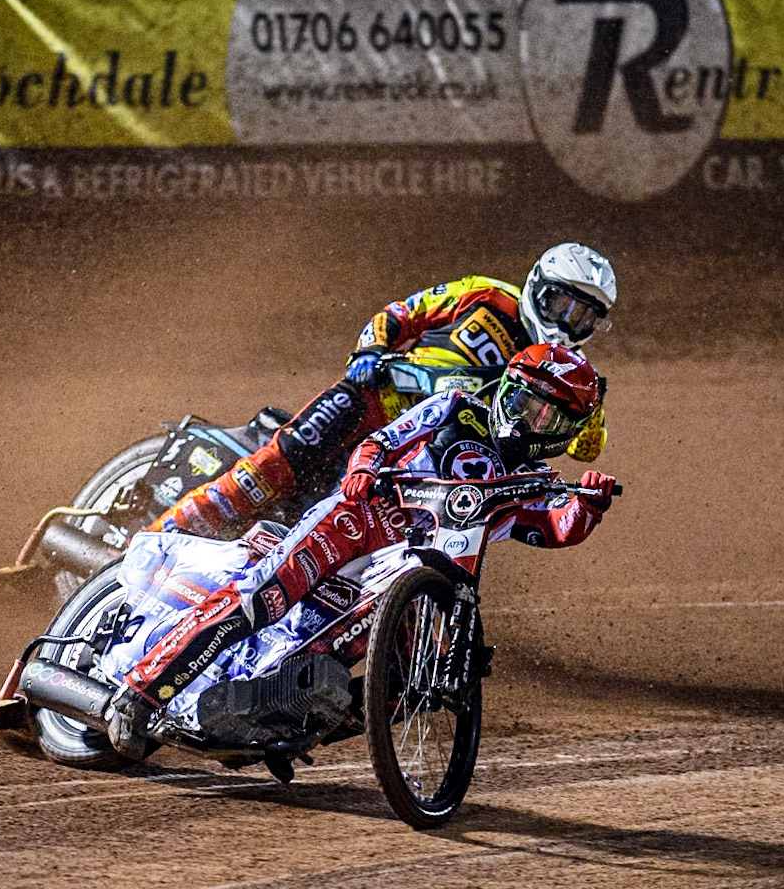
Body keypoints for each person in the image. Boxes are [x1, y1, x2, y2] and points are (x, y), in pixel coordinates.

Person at [108, 343, 618, 759]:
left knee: (415, 681)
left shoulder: (537, 481)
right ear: (506, 390)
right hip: (356, 522)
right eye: (525, 401)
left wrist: (589, 506)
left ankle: (291, 725)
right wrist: (362, 471)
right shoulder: (456, 408)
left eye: (547, 417)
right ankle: (141, 690)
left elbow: (555, 527)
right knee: (259, 601)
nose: (528, 418)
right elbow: (380, 440)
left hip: (411, 572)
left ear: (563, 435)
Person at [147, 242, 617, 540]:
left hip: (425, 451)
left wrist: (593, 406)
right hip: (375, 398)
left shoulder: (568, 375)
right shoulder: (487, 294)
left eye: (584, 317)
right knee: (277, 464)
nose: (566, 323)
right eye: (562, 304)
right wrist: (369, 351)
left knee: (349, 531)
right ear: (538, 286)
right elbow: (400, 314)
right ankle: (157, 537)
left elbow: (584, 449)